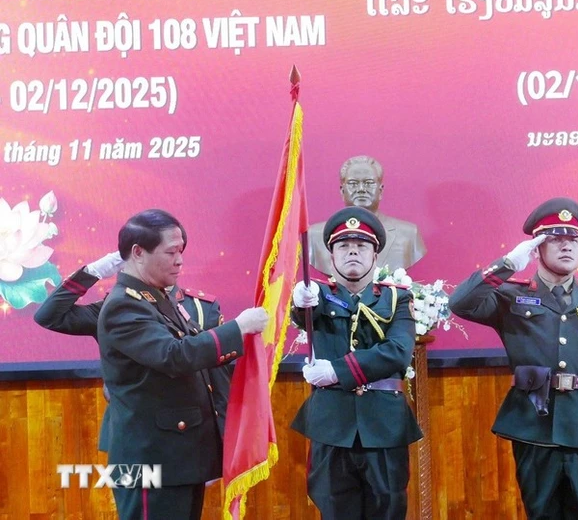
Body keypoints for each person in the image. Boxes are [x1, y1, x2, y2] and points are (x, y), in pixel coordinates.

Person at [448, 197, 578, 520]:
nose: (567, 246)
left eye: (573, 239)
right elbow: (460, 303)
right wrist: (507, 263)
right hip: (534, 427)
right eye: (555, 239)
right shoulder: (510, 295)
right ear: (536, 248)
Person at [97, 209, 268, 520]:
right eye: (171, 252)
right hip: (149, 460)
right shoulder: (124, 304)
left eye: (181, 252)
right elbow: (174, 356)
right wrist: (237, 329)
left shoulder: (157, 298)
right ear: (138, 253)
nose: (180, 261)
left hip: (178, 457)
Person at [291, 205, 423, 519]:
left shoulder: (397, 299)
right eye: (344, 246)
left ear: (375, 255)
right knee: (333, 509)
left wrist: (336, 370)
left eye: (361, 246)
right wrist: (299, 301)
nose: (353, 252)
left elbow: (398, 352)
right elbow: (305, 311)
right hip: (332, 425)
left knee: (388, 508)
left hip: (384, 425)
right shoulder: (318, 296)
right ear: (331, 256)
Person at [33, 252, 234, 450]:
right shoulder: (115, 307)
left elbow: (217, 378)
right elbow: (49, 316)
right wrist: (93, 272)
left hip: (188, 434)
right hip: (133, 434)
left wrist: (224, 433)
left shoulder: (201, 308)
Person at [308, 155, 427, 275]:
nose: (361, 189)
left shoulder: (409, 234)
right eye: (353, 183)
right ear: (342, 191)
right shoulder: (314, 236)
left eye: (368, 183)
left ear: (380, 190)